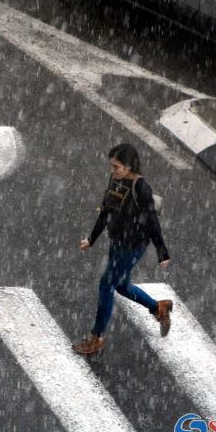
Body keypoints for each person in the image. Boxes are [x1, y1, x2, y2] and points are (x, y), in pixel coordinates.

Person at [73, 143, 172, 355]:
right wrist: (91, 239)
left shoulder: (141, 187)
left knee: (106, 286)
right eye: (111, 166)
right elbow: (105, 210)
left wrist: (162, 251)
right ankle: (158, 307)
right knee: (122, 286)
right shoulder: (115, 181)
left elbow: (152, 221)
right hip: (117, 242)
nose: (112, 170)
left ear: (128, 167)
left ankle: (96, 337)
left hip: (133, 246)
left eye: (116, 167)